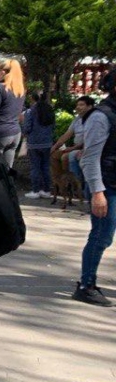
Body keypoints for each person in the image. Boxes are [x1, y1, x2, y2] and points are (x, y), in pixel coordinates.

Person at [73, 71, 116, 306]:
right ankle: (85, 285)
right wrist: (98, 192)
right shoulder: (101, 117)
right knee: (101, 236)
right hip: (106, 186)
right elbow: (90, 158)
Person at [22, 92, 55, 200]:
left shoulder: (30, 111)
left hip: (34, 143)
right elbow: (53, 126)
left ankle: (35, 190)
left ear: (32, 98)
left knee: (35, 167)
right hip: (47, 142)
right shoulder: (50, 110)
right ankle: (46, 190)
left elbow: (27, 127)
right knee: (45, 166)